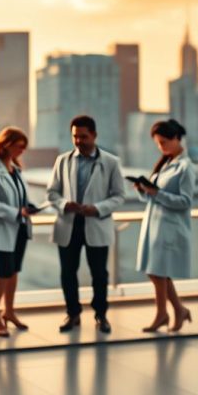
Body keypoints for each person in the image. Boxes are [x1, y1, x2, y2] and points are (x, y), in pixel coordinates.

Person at [47, 115, 126, 333]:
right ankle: (72, 314)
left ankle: (101, 315)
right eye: (75, 137)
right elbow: (51, 193)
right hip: (69, 225)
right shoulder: (63, 160)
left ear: (94, 135)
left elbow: (119, 196)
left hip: (96, 224)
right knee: (67, 273)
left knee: (99, 274)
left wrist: (98, 208)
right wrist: (64, 204)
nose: (79, 141)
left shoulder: (111, 162)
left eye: (83, 136)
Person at [133, 119, 195, 333]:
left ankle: (165, 313)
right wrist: (143, 191)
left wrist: (156, 193)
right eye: (158, 143)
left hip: (170, 226)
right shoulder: (165, 164)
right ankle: (177, 310)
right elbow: (152, 198)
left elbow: (185, 201)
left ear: (177, 138)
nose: (161, 147)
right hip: (154, 223)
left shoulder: (186, 167)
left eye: (164, 142)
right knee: (155, 271)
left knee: (157, 271)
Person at [0, 127, 33, 337]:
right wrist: (15, 212)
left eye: (24, 147)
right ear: (6, 144)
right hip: (1, 230)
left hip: (19, 228)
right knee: (2, 272)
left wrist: (30, 207)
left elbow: (21, 198)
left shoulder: (16, 170)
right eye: (19, 146)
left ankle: (9, 311)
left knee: (13, 272)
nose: (22, 150)